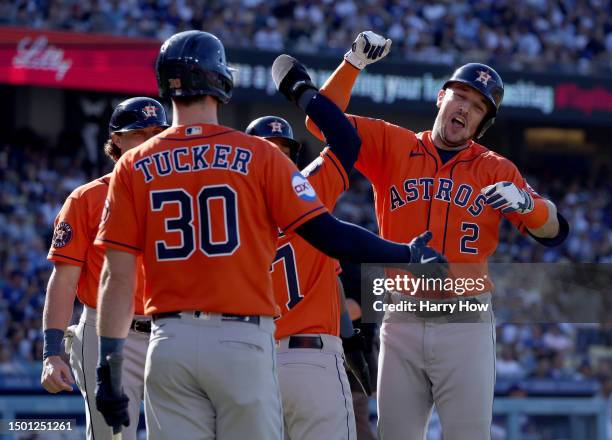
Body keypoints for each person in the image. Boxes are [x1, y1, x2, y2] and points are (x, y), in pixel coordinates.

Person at [92, 31, 446, 440]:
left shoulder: (132, 165)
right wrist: (406, 253)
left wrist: (109, 365)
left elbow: (115, 279)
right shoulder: (258, 156)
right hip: (241, 340)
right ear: (221, 81)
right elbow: (331, 235)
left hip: (169, 340)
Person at [306, 31, 569, 440]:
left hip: (465, 319)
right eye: (461, 96)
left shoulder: (497, 168)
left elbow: (555, 231)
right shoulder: (393, 145)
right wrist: (352, 64)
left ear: (482, 123)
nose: (466, 108)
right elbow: (318, 120)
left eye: (479, 106)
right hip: (401, 315)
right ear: (441, 98)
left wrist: (527, 204)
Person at [41, 97, 169, 440]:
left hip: (170, 331)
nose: (151, 140)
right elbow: (64, 279)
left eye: (159, 132)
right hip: (105, 331)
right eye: (140, 133)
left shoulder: (181, 195)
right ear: (116, 140)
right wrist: (52, 352)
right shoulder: (87, 199)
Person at [246, 109, 369, 439]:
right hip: (310, 359)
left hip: (250, 361)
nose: (276, 157)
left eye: (281, 151)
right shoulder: (310, 191)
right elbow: (347, 139)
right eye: (269, 149)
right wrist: (304, 93)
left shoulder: (229, 210)